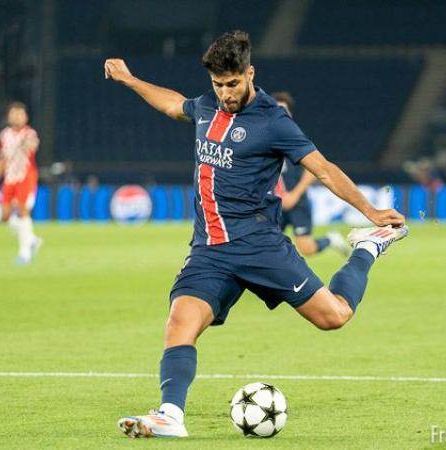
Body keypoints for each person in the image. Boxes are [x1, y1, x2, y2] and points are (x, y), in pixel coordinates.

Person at [104, 30, 408, 439]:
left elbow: (323, 168)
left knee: (334, 317)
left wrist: (370, 212)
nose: (225, 93)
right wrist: (129, 79)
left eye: (232, 83)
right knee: (180, 321)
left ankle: (367, 247)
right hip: (210, 249)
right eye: (218, 84)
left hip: (258, 244)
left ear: (250, 73)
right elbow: (174, 105)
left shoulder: (273, 121)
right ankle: (170, 414)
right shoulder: (208, 105)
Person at [272, 91, 350, 256]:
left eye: (283, 110)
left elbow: (313, 170)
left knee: (307, 248)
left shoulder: (296, 137)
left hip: (297, 200)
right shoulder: (264, 138)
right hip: (275, 202)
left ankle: (330, 239)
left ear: (290, 114)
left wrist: (294, 195)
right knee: (266, 247)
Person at [0, 102, 42, 264]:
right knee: (4, 216)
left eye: (19, 114)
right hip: (10, 178)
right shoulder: (5, 135)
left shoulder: (29, 133)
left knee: (23, 211)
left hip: (26, 176)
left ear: (25, 117)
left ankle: (24, 253)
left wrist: (27, 145)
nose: (16, 117)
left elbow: (33, 146)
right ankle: (31, 239)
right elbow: (3, 158)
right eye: (14, 114)